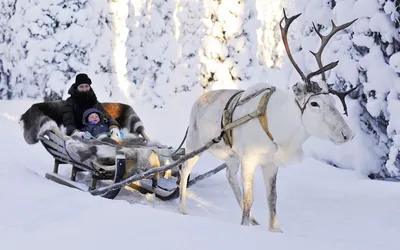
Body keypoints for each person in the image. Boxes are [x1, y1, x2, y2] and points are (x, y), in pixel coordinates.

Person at [62, 73, 121, 140]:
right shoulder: (70, 103)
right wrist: (75, 132)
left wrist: (113, 127)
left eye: (86, 86)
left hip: (97, 132)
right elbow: (68, 121)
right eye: (81, 87)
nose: (84, 89)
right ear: (76, 87)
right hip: (80, 133)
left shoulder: (94, 101)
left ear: (89, 87)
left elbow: (107, 116)